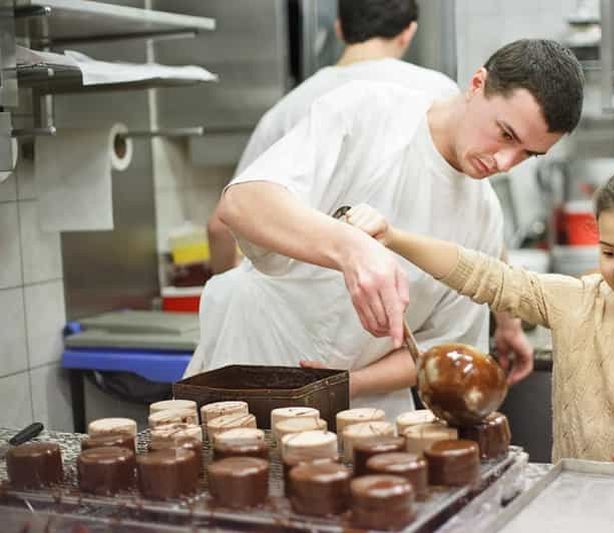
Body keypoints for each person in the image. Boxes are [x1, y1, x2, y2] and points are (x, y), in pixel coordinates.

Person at [185, 39, 584, 421]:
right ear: (477, 84)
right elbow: (241, 204)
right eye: (506, 134)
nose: (504, 162)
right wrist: (350, 250)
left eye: (527, 154)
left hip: (359, 399)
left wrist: (346, 384)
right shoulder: (369, 113)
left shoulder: (483, 215)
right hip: (253, 361)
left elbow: (441, 346)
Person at [344, 157, 614, 469]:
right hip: (577, 510)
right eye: (608, 251)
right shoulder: (576, 302)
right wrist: (393, 236)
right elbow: (485, 275)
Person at [208, 0, 459, 275]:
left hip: (309, 309)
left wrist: (224, 284)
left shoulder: (289, 108)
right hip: (419, 294)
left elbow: (221, 226)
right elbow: (478, 214)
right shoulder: (441, 94)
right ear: (409, 32)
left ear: (339, 29)